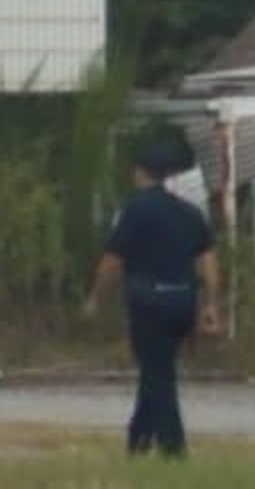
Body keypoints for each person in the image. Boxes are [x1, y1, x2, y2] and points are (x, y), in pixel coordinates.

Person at [84, 140, 220, 458]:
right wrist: (211, 305)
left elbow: (112, 262)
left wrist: (95, 297)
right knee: (156, 369)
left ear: (139, 173)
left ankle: (174, 450)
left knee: (159, 376)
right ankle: (138, 442)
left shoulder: (134, 209)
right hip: (182, 303)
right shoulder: (190, 212)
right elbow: (209, 263)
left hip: (148, 303)